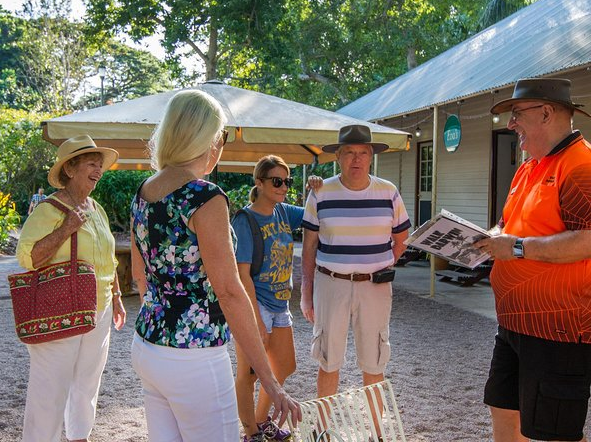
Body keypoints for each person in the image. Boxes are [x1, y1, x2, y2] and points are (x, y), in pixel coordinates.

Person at [130, 90, 301, 442]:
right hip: (194, 356)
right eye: (221, 136)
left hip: (147, 343)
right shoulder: (204, 196)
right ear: (206, 138)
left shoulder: (145, 190)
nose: (221, 145)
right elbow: (229, 291)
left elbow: (139, 276)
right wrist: (268, 378)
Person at [474, 78, 591, 442]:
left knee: (555, 432)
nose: (510, 125)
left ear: (546, 113)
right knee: (502, 407)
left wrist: (518, 248)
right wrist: (483, 241)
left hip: (559, 329)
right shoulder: (528, 167)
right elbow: (508, 224)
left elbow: (588, 238)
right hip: (513, 325)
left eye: (516, 115)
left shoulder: (581, 164)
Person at [16, 134, 127, 442]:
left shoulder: (97, 208)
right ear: (70, 169)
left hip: (99, 308)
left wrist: (117, 298)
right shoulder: (48, 209)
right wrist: (66, 229)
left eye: (100, 165)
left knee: (87, 381)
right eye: (92, 164)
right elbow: (28, 258)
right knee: (49, 388)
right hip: (60, 309)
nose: (98, 170)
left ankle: (80, 437)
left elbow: (108, 258)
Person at [300, 124, 410, 418]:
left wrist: (384, 264)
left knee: (374, 361)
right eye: (349, 152)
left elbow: (402, 238)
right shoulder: (321, 192)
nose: (356, 159)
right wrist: (306, 294)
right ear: (338, 156)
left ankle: (376, 431)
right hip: (330, 283)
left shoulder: (388, 191)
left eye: (363, 152)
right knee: (328, 359)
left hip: (374, 286)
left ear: (371, 156)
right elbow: (309, 245)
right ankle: (322, 429)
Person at [232, 156, 322, 442]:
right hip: (256, 303)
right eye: (277, 181)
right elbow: (242, 274)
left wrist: (316, 190)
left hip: (281, 303)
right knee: (249, 372)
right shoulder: (245, 220)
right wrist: (254, 319)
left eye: (287, 181)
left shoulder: (283, 212)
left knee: (284, 366)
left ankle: (261, 422)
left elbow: (315, 212)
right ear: (259, 183)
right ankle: (250, 433)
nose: (283, 187)